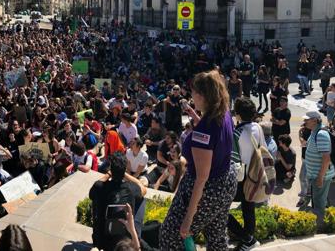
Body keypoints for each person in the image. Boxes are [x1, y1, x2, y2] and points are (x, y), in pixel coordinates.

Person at [160, 70, 237, 250]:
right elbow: (211, 133)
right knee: (216, 236)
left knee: (171, 234)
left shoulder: (204, 130)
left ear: (203, 95)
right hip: (225, 182)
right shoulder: (223, 112)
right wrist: (193, 114)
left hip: (208, 189)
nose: (191, 95)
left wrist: (188, 218)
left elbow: (202, 177)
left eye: (193, 92)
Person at [228, 97, 265, 250]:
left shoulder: (237, 133)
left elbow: (233, 160)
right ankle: (248, 241)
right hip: (256, 174)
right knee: (248, 208)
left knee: (220, 209)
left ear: (238, 114)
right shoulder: (257, 126)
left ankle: (246, 238)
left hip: (241, 177)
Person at [89, 152, 146, 251]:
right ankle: (136, 232)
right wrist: (125, 174)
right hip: (124, 239)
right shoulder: (131, 189)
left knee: (95, 195)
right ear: (124, 169)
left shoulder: (100, 187)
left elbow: (92, 193)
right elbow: (143, 189)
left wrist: (108, 174)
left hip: (102, 236)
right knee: (142, 199)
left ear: (111, 169)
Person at [303, 111, 335, 219]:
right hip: (315, 175)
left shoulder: (321, 134)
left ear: (315, 121)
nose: (304, 121)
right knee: (318, 200)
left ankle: (320, 224)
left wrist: (320, 177)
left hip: (320, 176)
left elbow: (326, 159)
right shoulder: (314, 132)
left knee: (318, 203)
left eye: (307, 120)